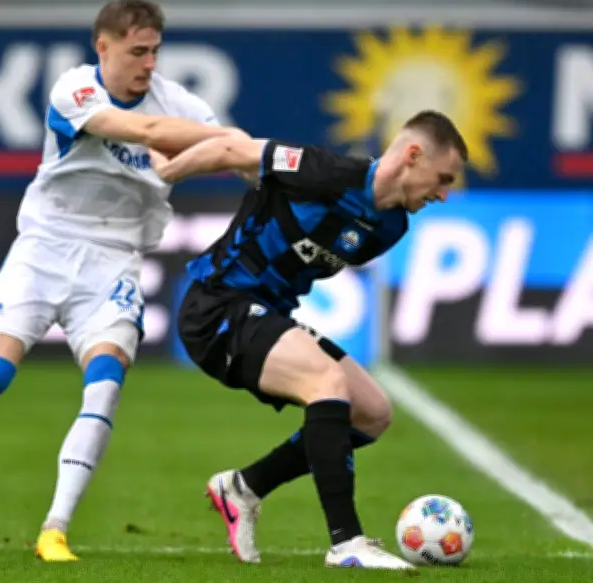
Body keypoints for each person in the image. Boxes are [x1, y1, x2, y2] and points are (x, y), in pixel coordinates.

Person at [0, 0, 239, 562]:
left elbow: (231, 148)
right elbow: (139, 128)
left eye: (155, 52)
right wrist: (197, 143)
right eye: (137, 52)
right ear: (103, 46)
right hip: (45, 247)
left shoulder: (179, 103)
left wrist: (228, 157)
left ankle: (54, 529)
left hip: (115, 259)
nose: (148, 64)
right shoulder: (74, 90)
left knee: (105, 384)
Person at [155, 110, 468, 569]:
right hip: (219, 308)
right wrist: (165, 173)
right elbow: (231, 148)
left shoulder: (391, 227)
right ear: (413, 155)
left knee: (372, 413)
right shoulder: (324, 170)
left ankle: (244, 487)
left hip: (267, 315)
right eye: (443, 179)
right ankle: (347, 543)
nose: (443, 194)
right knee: (326, 381)